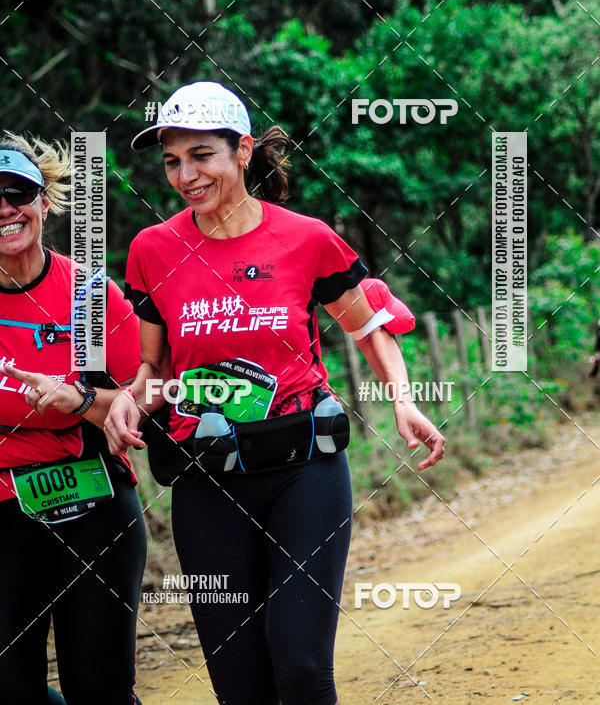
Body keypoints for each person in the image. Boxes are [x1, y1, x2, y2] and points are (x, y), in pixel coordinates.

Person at [105, 81, 445, 705]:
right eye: (172, 161)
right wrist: (132, 398)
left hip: (305, 473)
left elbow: (368, 324)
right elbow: (153, 368)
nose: (186, 175)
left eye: (202, 155)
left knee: (301, 669)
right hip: (207, 482)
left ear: (243, 151)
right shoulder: (152, 251)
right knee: (240, 683)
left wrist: (401, 395)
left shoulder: (306, 238)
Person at [0, 132, 146, 705]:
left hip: (94, 501)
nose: (5, 209)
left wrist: (81, 401)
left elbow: (146, 398)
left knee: (100, 687)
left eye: (18, 192)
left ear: (43, 201)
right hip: (4, 509)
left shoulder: (88, 295)